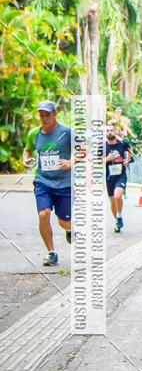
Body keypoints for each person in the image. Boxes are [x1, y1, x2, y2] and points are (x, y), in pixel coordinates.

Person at [22, 101, 77, 266]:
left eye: (47, 115)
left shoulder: (67, 132)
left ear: (55, 114)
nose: (44, 119)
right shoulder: (34, 134)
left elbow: (83, 150)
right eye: (41, 115)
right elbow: (27, 149)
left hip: (64, 184)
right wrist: (25, 160)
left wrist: (70, 162)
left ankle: (69, 230)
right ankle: (51, 253)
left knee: (64, 221)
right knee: (43, 213)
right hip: (42, 181)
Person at [100, 122, 131, 233]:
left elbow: (129, 150)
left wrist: (127, 160)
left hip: (121, 175)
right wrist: (107, 159)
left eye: (111, 130)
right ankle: (118, 219)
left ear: (116, 132)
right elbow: (98, 162)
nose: (109, 132)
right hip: (109, 177)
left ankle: (119, 215)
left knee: (118, 196)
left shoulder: (122, 143)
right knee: (112, 201)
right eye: (107, 131)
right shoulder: (102, 146)